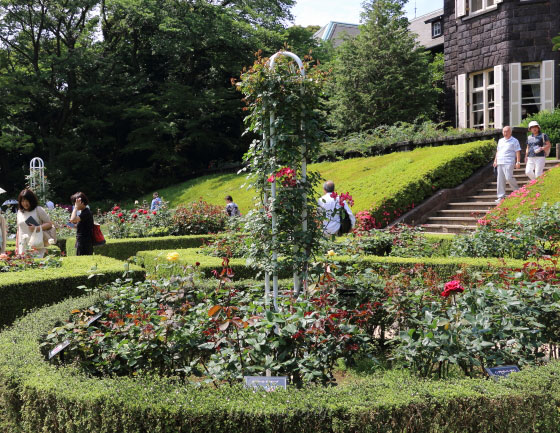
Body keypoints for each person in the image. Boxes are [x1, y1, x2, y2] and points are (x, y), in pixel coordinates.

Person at [15, 189, 53, 257]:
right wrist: (17, 246)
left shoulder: (38, 210)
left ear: (31, 200)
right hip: (23, 246)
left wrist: (37, 228)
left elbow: (49, 224)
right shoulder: (20, 212)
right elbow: (19, 230)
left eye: (27, 201)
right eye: (22, 201)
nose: (25, 203)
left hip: (36, 244)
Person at [493, 126, 521, 203]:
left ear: (510, 132)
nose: (505, 133)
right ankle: (501, 196)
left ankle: (517, 191)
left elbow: (517, 151)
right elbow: (498, 151)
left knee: (508, 177)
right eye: (504, 131)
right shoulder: (500, 140)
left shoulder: (514, 141)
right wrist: (495, 161)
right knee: (500, 180)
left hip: (509, 161)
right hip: (500, 162)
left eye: (506, 131)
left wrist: (518, 161)